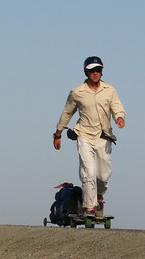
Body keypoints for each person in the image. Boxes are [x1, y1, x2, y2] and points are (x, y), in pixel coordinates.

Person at [53, 56, 126, 217]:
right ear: (86, 71)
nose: (95, 73)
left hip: (104, 137)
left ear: (102, 71)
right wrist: (57, 134)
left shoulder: (110, 90)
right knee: (88, 172)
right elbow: (67, 113)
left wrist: (119, 117)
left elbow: (117, 106)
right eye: (92, 70)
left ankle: (99, 196)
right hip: (84, 136)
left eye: (98, 70)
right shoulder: (77, 92)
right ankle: (89, 207)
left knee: (104, 174)